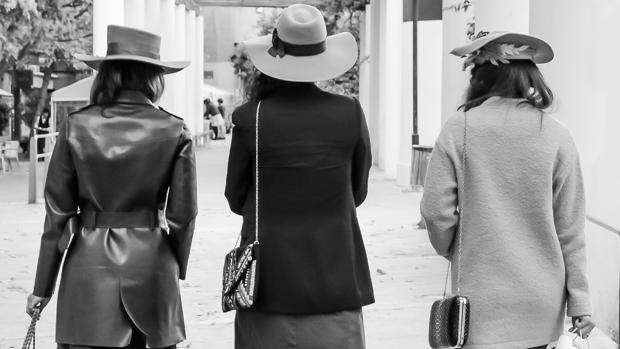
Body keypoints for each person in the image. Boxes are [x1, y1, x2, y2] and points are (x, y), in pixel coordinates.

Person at [26, 25, 197, 349]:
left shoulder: (76, 125)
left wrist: (42, 287)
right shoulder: (175, 129)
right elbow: (184, 216)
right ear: (154, 77)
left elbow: (57, 217)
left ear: (106, 73)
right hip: (152, 271)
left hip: (87, 271)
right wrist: (171, 266)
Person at [421, 31, 595, 349]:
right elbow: (570, 228)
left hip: (479, 305)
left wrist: (452, 249)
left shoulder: (459, 128)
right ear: (530, 76)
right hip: (542, 305)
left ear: (480, 76)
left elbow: (436, 211)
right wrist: (580, 301)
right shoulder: (557, 136)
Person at [225, 4, 374, 349]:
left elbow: (236, 198)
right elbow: (358, 192)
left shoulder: (251, 118)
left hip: (266, 284)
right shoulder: (348, 113)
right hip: (336, 279)